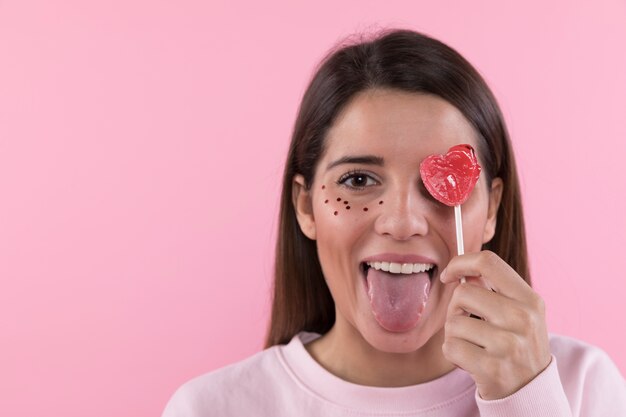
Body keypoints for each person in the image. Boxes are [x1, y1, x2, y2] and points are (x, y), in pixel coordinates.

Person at [162, 29, 626, 416]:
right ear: (305, 207)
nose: (403, 223)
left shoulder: (580, 386)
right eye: (359, 179)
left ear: (493, 209)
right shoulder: (210, 408)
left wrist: (528, 401)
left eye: (442, 185)